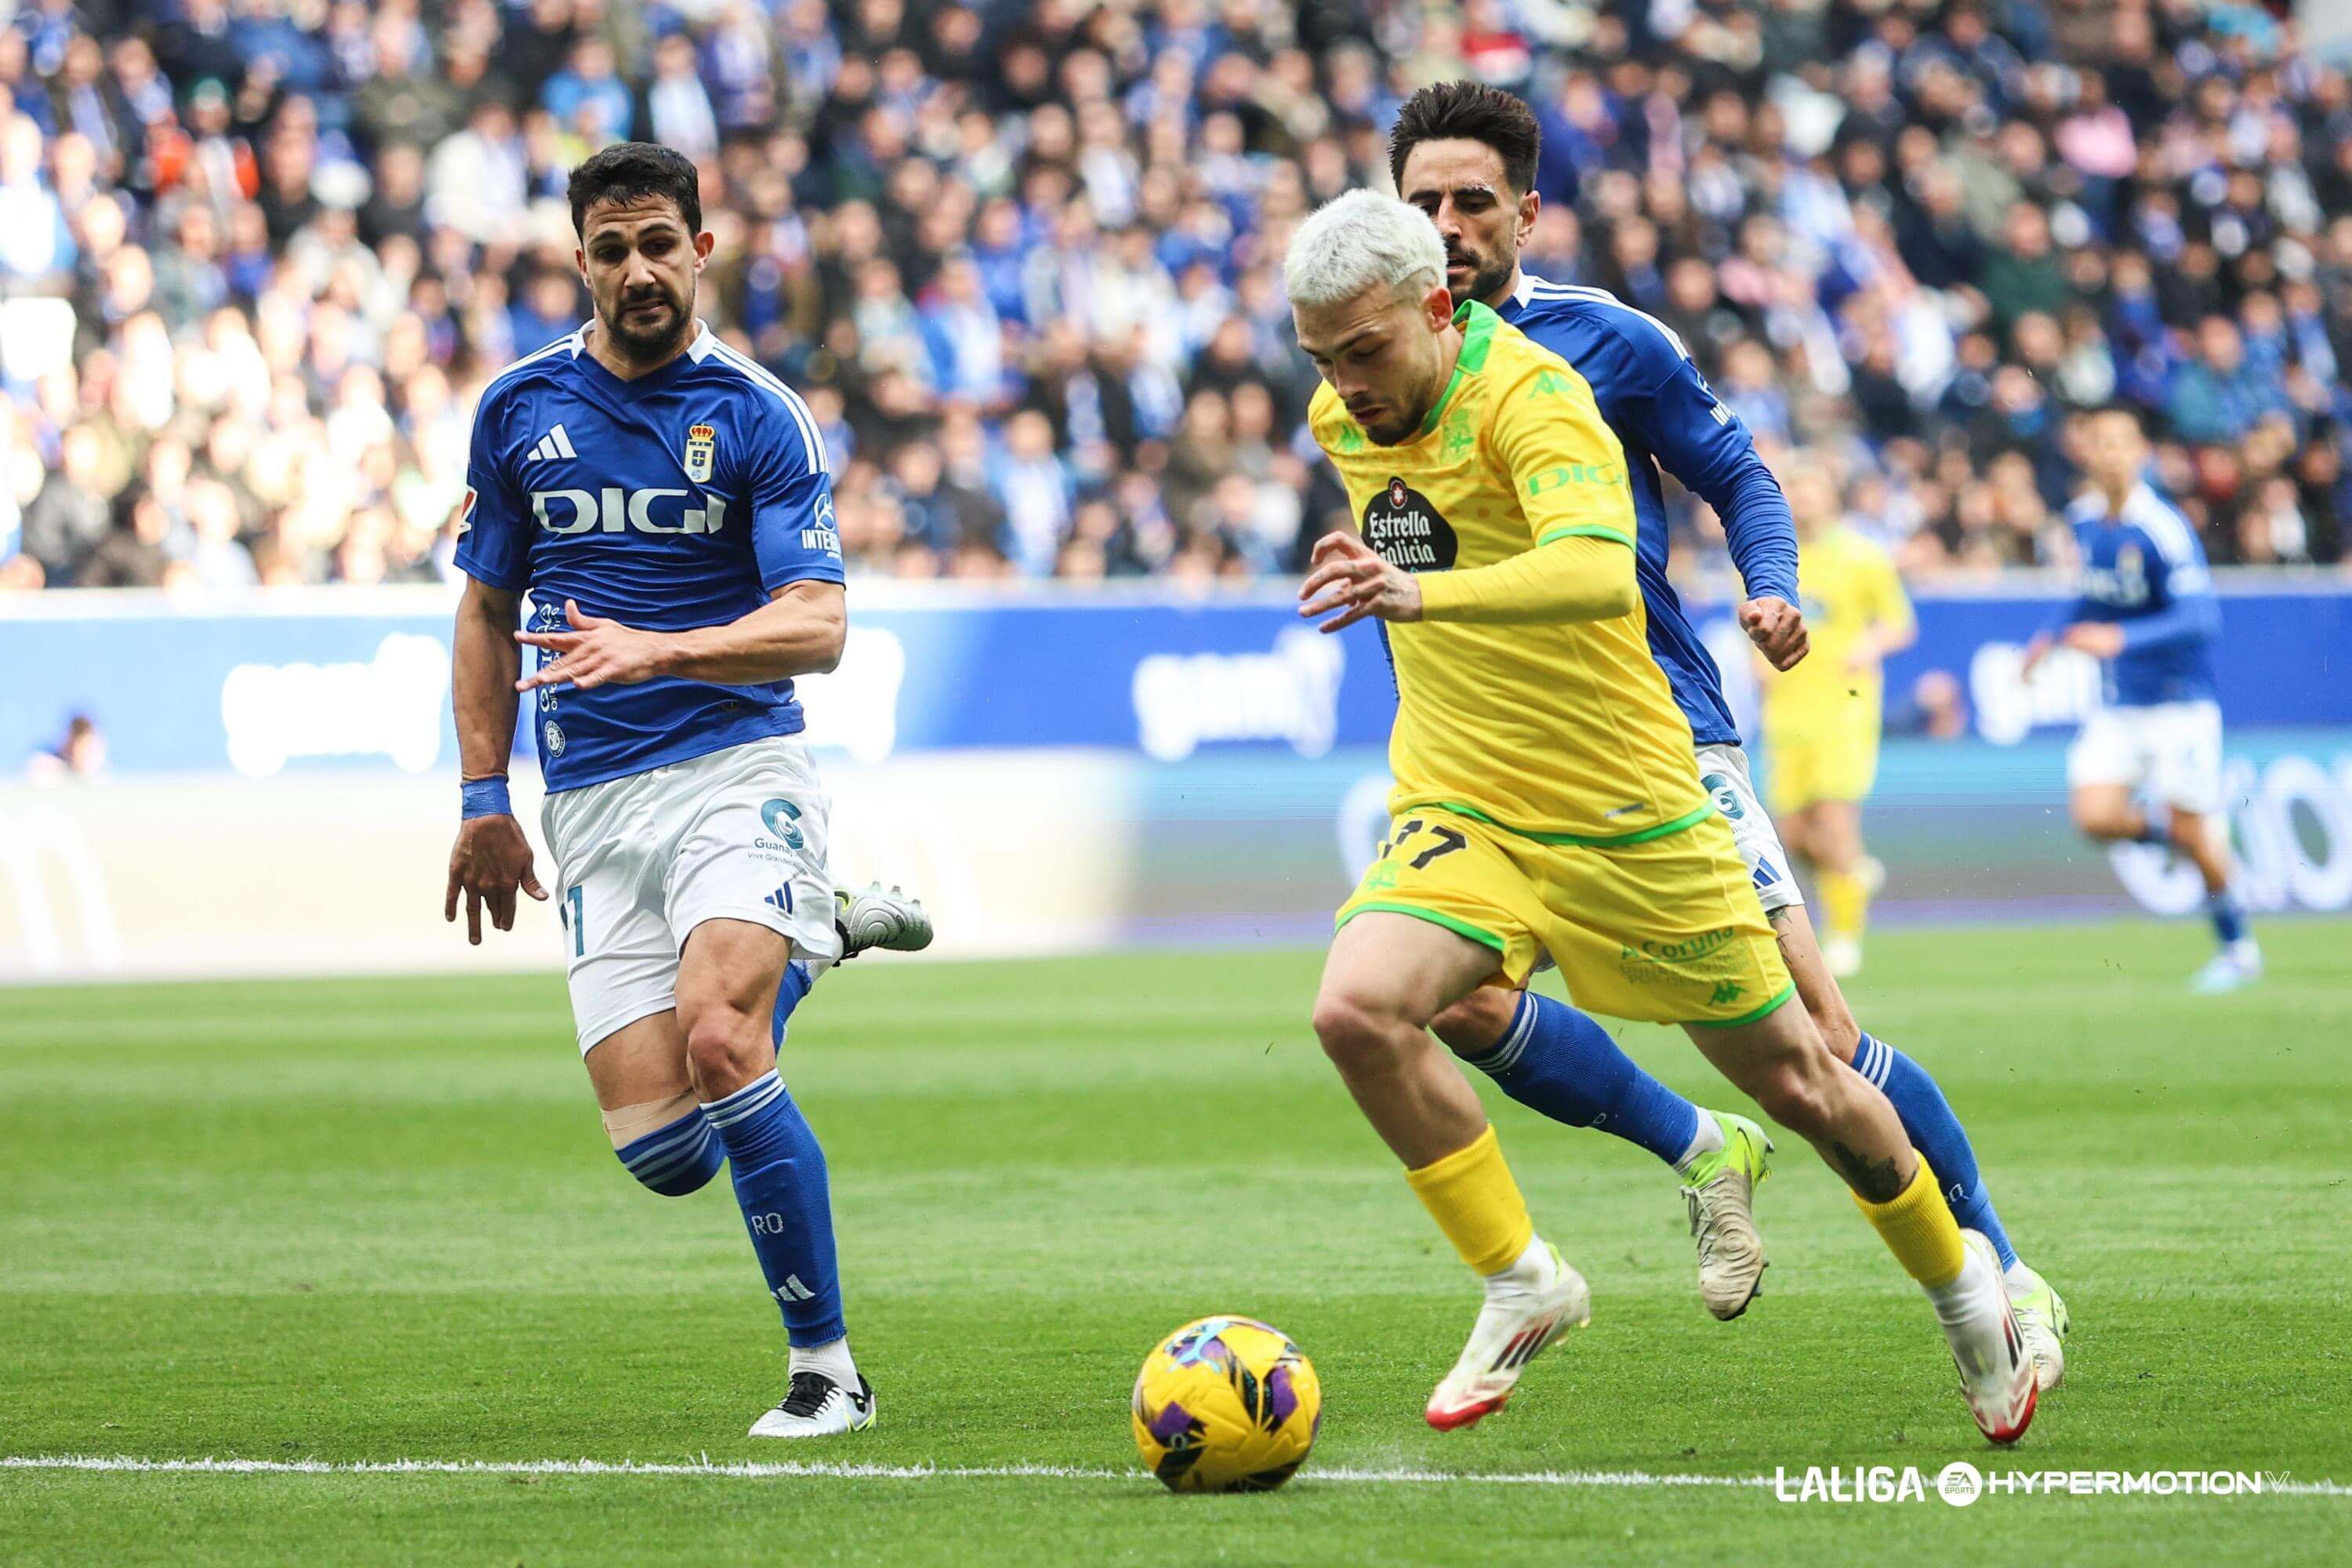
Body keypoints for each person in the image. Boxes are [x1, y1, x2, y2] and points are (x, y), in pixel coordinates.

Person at [1287, 189, 2035, 1443]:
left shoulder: (1536, 398)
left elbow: (1594, 572)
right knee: (1355, 1011)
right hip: (1467, 797)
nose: (1345, 386)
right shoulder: (1341, 416)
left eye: (1364, 352)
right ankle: (1524, 1279)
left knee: (1806, 1080)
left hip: (1628, 807)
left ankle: (1968, 1293)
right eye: (1322, 360)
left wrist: (1419, 596)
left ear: (1437, 306)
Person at [441, 143, 927, 1441]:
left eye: (659, 243)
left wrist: (659, 649)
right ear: (581, 261)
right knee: (665, 1151)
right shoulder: (517, 410)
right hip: (592, 801)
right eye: (611, 250)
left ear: (701, 249)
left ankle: (828, 1372)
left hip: (735, 764)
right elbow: (484, 610)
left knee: (722, 1038)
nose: (638, 270)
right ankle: (816, 936)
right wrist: (483, 797)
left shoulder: (759, 413)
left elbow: (819, 624)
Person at [2024, 406, 2256, 992]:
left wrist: (2120, 638)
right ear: (2086, 453)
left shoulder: (2163, 526)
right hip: (2121, 704)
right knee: (2094, 816)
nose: (2110, 454)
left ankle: (2237, 946)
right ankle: (2175, 839)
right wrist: (2050, 636)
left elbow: (2201, 618)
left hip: (2178, 703)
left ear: (2140, 453)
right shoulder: (2083, 521)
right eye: (2099, 443)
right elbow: (2092, 594)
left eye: (2121, 443)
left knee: (2196, 832)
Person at [1758, 456, 1917, 977]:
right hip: (1787, 710)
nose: (1804, 499)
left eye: (1813, 488)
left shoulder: (1862, 556)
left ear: (1831, 496)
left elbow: (1899, 624)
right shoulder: (1767, 556)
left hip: (1844, 707)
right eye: (1795, 489)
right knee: (1796, 836)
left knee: (1834, 819)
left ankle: (1845, 935)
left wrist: (1868, 646)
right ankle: (1854, 873)